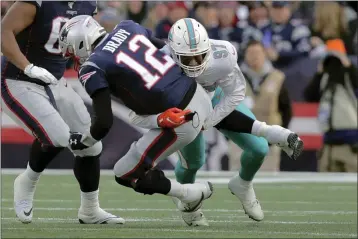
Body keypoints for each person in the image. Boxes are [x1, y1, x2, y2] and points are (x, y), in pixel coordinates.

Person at [129, 18, 303, 226]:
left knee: (259, 149)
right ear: (174, 54)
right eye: (187, 58)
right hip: (183, 111)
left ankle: (243, 184)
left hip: (215, 97)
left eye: (200, 56)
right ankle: (189, 202)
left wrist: (209, 119)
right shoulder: (158, 66)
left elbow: (236, 93)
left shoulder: (223, 54)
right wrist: (162, 118)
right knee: (193, 163)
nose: (195, 64)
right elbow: (134, 115)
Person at [59, 16, 214, 214]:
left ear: (80, 43)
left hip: (182, 119)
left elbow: (104, 122)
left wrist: (84, 141)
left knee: (124, 172)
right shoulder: (127, 27)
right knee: (137, 123)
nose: (75, 60)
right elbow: (166, 49)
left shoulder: (93, 66)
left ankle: (189, 193)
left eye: (72, 53)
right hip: (198, 94)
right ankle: (192, 212)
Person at [1, 1, 123, 224]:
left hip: (54, 81)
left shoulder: (87, 4)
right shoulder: (37, 2)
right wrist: (28, 66)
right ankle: (26, 182)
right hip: (18, 79)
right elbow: (3, 32)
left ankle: (90, 210)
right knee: (56, 137)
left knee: (91, 143)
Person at [304, 39, 357, 172]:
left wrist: (349, 66)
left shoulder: (350, 76)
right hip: (328, 143)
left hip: (351, 143)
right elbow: (309, 96)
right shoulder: (324, 78)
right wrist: (319, 72)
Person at [240, 40, 293, 171]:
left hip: (270, 142)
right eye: (250, 53)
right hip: (241, 142)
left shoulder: (277, 77)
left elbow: (286, 109)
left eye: (257, 52)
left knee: (268, 182)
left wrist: (279, 135)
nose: (254, 56)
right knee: (238, 183)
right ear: (245, 55)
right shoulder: (235, 78)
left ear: (265, 54)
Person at [261, 1, 311, 67]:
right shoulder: (263, 28)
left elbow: (304, 52)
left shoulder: (298, 28)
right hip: (267, 68)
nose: (278, 13)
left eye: (281, 9)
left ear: (289, 10)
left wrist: (279, 54)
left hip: (292, 69)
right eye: (275, 9)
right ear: (270, 11)